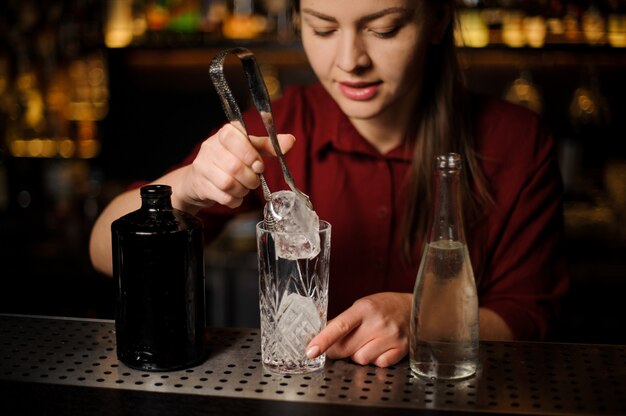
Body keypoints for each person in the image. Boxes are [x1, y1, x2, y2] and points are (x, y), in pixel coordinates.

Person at [89, 0, 569, 368]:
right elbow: (104, 252)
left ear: (438, 20)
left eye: (384, 28)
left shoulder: (517, 141)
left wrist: (425, 319)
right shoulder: (277, 130)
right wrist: (191, 184)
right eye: (321, 28)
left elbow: (529, 319)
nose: (349, 60)